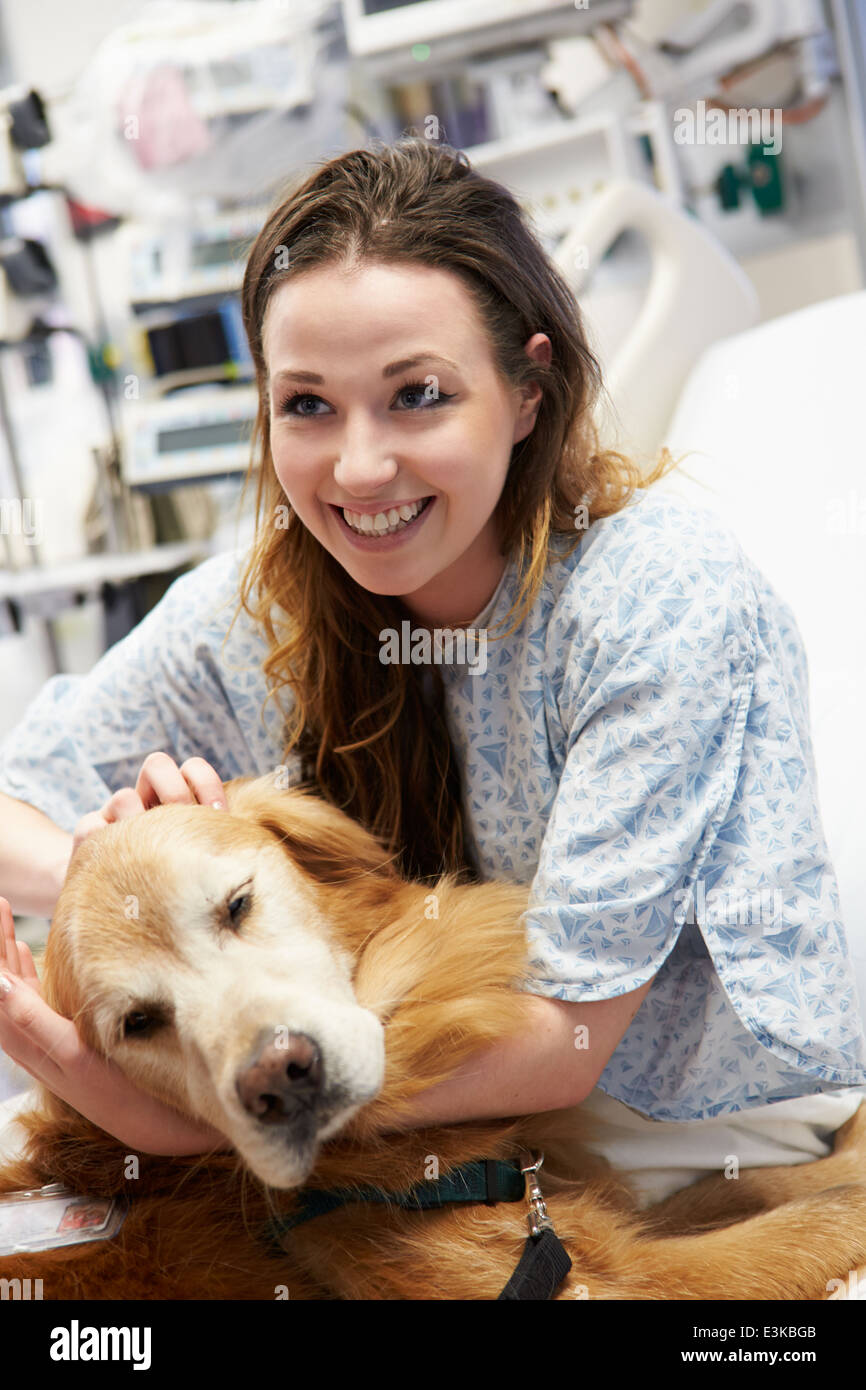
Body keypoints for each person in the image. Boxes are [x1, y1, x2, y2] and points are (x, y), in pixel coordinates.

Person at [0, 138, 863, 1206]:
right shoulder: (255, 612)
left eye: (416, 394)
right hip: (425, 1118)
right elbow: (14, 799)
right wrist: (113, 866)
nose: (358, 468)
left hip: (696, 1134)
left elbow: (565, 1038)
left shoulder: (652, 599)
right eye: (307, 404)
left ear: (527, 391)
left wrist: (180, 1123)